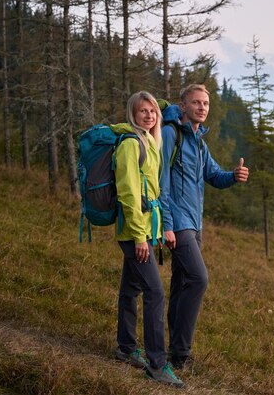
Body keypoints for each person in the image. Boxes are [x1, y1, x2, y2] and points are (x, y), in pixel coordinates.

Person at [159, 84, 249, 370]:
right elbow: (160, 181)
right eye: (196, 103)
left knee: (183, 283)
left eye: (206, 104)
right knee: (199, 279)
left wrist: (234, 176)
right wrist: (167, 225)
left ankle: (174, 351)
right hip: (178, 223)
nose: (202, 108)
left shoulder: (199, 141)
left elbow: (213, 175)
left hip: (195, 226)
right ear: (183, 105)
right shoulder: (170, 134)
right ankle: (181, 354)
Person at [112, 91, 184, 387]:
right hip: (135, 232)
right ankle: (157, 364)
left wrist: (156, 231)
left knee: (130, 289)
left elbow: (151, 192)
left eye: (153, 111)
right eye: (142, 111)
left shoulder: (150, 142)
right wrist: (140, 237)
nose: (149, 115)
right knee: (155, 293)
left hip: (146, 230)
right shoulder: (131, 144)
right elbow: (128, 193)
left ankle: (126, 347)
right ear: (133, 114)